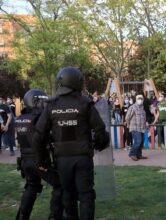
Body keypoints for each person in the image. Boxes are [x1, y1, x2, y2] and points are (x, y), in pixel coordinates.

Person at [32, 67, 110, 220]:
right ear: (78, 82)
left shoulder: (52, 105)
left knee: (68, 193)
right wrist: (99, 145)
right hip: (83, 157)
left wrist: (42, 160)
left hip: (62, 159)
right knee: (86, 194)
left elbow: (38, 136)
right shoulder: (85, 104)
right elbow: (100, 131)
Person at [15, 89, 64, 220]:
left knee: (31, 187)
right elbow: (47, 137)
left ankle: (22, 216)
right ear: (35, 101)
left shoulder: (20, 118)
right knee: (60, 185)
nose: (45, 104)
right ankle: (55, 216)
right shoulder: (39, 117)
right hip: (39, 160)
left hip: (25, 161)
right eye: (43, 101)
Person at [125, 95, 148, 161]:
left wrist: (146, 123)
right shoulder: (132, 107)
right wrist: (128, 124)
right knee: (138, 141)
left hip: (142, 128)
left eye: (141, 98)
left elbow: (144, 118)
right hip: (134, 127)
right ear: (136, 99)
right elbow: (127, 117)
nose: (140, 100)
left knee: (141, 142)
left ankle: (139, 154)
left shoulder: (142, 108)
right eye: (138, 98)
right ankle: (132, 154)